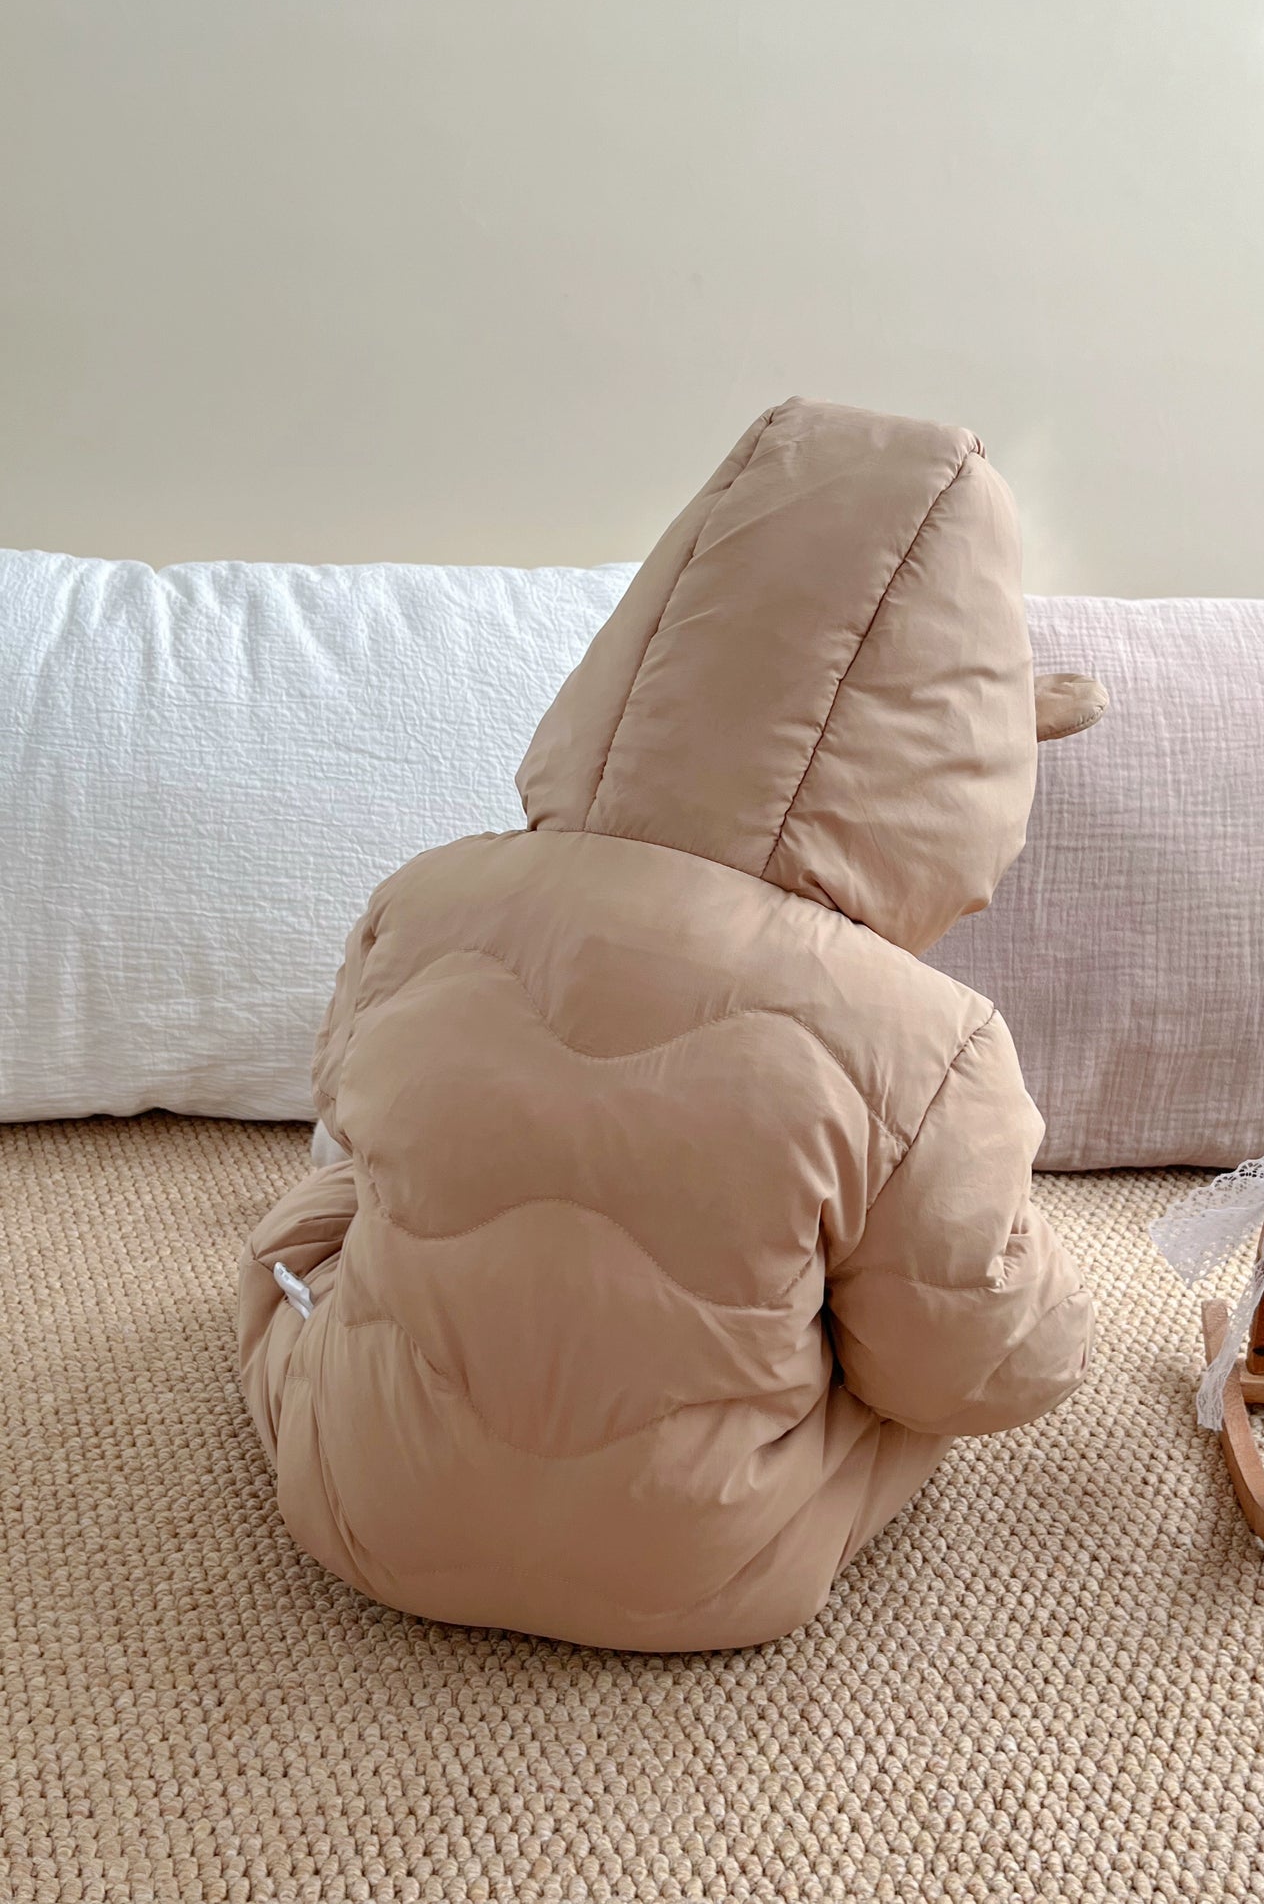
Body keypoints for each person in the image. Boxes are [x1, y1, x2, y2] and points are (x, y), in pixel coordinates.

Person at [238, 397, 1101, 1651]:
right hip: (708, 1568)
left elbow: (344, 1109)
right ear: (950, 769)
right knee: (912, 1332)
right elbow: (975, 1370)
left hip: (355, 1500)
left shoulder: (424, 899)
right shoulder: (932, 1042)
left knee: (336, 1222)